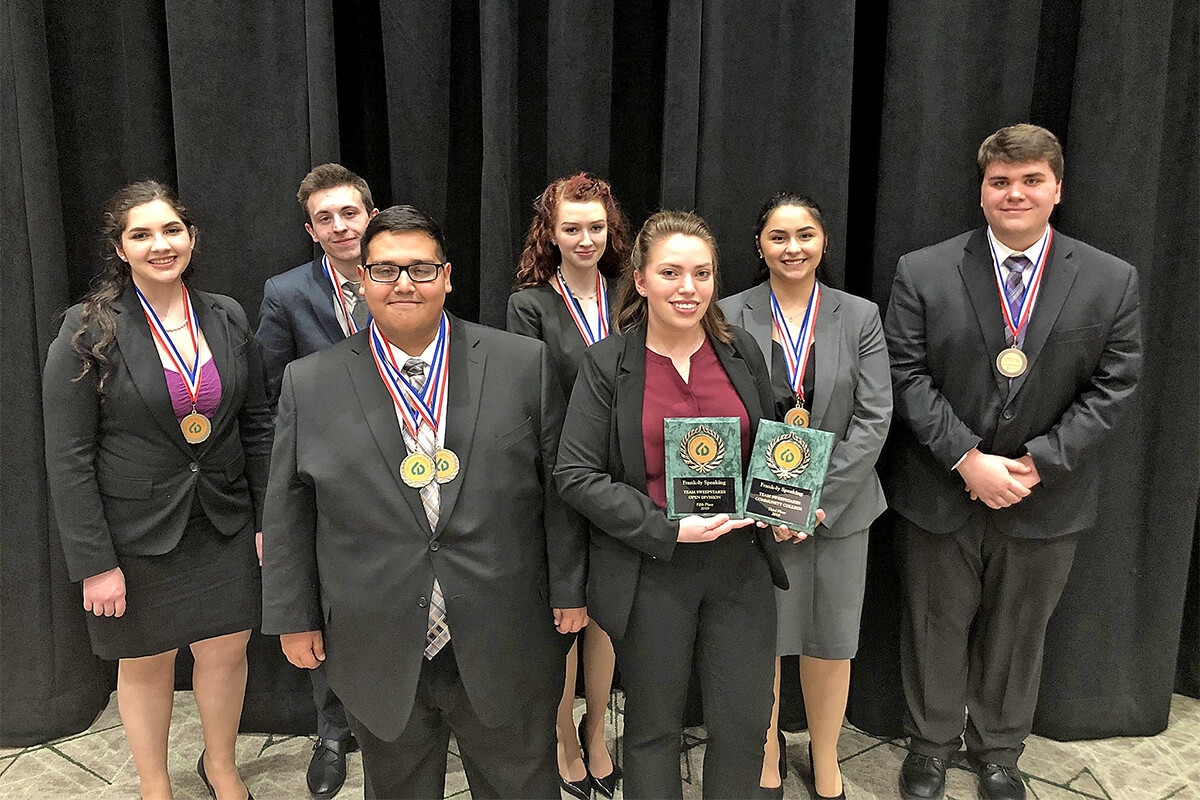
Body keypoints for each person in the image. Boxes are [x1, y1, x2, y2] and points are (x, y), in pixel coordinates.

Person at [260, 205, 588, 799]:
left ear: (448, 276)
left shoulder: (521, 364)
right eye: (384, 270)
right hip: (375, 634)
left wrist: (570, 588)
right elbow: (289, 508)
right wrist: (294, 615)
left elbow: (558, 491)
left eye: (420, 268)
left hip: (503, 626)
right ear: (361, 279)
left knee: (520, 785)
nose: (403, 284)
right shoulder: (309, 382)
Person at [883, 124, 1142, 800]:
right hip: (942, 488)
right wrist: (967, 458)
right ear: (982, 191)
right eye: (1000, 181)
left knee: (1018, 632)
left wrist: (1038, 463)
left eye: (1031, 180)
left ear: (1057, 188)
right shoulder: (924, 270)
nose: (1014, 193)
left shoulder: (1111, 279)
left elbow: (1115, 384)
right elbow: (905, 373)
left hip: (1046, 496)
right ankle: (931, 748)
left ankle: (998, 753)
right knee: (934, 626)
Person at [43, 181, 271, 800]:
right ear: (121, 249)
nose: (160, 244)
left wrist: (264, 520)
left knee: (226, 650)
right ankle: (153, 786)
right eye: (141, 234)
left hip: (222, 518)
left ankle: (220, 768)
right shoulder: (87, 327)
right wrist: (95, 564)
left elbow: (255, 424)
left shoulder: (226, 314)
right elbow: (67, 458)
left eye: (171, 230)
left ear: (191, 239)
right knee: (145, 664)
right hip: (136, 533)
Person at [556, 210, 795, 799]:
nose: (688, 289)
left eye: (701, 273)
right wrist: (668, 526)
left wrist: (788, 504)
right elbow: (576, 475)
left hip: (740, 569)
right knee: (652, 731)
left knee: (744, 727)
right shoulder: (609, 364)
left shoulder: (743, 356)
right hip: (653, 569)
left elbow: (769, 450)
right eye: (670, 273)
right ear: (640, 280)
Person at [721, 193, 892, 798]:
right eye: (777, 236)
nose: (792, 248)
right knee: (758, 642)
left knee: (830, 643)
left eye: (804, 235)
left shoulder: (860, 315)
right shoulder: (726, 312)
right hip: (755, 515)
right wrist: (765, 502)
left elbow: (874, 418)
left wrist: (817, 502)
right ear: (759, 246)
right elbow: (715, 412)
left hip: (838, 515)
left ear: (824, 242)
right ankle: (765, 755)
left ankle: (826, 758)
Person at [507, 172, 632, 800]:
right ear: (550, 234)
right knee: (564, 616)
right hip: (560, 476)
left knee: (606, 615)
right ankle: (560, 736)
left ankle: (597, 731)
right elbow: (533, 400)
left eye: (596, 227)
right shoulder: (529, 304)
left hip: (626, 478)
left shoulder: (632, 293)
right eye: (572, 228)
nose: (586, 239)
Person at [254, 163, 377, 799]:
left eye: (348, 213)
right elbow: (269, 397)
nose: (339, 227)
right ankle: (331, 732)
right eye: (324, 218)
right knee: (326, 603)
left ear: (369, 216)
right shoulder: (287, 293)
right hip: (326, 478)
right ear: (311, 229)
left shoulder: (406, 271)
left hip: (409, 467)